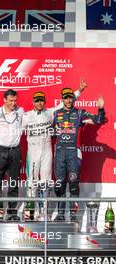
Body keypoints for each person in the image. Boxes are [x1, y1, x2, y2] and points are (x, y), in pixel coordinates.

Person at [22, 79, 87, 220]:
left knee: (46, 181)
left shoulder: (52, 112)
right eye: (37, 101)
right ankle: (30, 211)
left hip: (47, 150)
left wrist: (79, 91)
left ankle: (43, 211)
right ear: (33, 102)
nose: (39, 103)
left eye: (42, 101)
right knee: (32, 181)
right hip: (32, 151)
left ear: (44, 102)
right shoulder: (26, 116)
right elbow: (13, 129)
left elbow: (67, 101)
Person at [53, 87, 105, 222]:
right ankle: (60, 214)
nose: (68, 100)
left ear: (73, 98)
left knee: (74, 183)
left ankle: (73, 214)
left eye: (70, 97)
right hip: (59, 152)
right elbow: (49, 132)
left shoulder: (80, 113)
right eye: (66, 97)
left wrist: (100, 109)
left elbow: (98, 120)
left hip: (73, 152)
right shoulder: (56, 114)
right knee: (59, 184)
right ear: (62, 99)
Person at [0, 89, 23, 221]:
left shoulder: (20, 112)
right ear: (4, 100)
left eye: (15, 100)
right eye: (10, 100)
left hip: (15, 150)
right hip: (0, 150)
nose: (13, 103)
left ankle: (12, 212)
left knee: (13, 182)